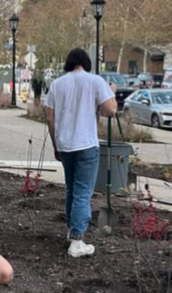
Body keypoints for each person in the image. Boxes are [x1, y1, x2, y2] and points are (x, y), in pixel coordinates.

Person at [44, 48, 117, 258]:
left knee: (71, 190)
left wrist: (55, 145)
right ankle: (76, 240)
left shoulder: (57, 85)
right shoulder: (94, 81)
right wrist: (111, 91)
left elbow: (50, 118)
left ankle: (71, 232)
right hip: (86, 144)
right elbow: (111, 110)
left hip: (66, 144)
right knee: (83, 193)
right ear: (86, 62)